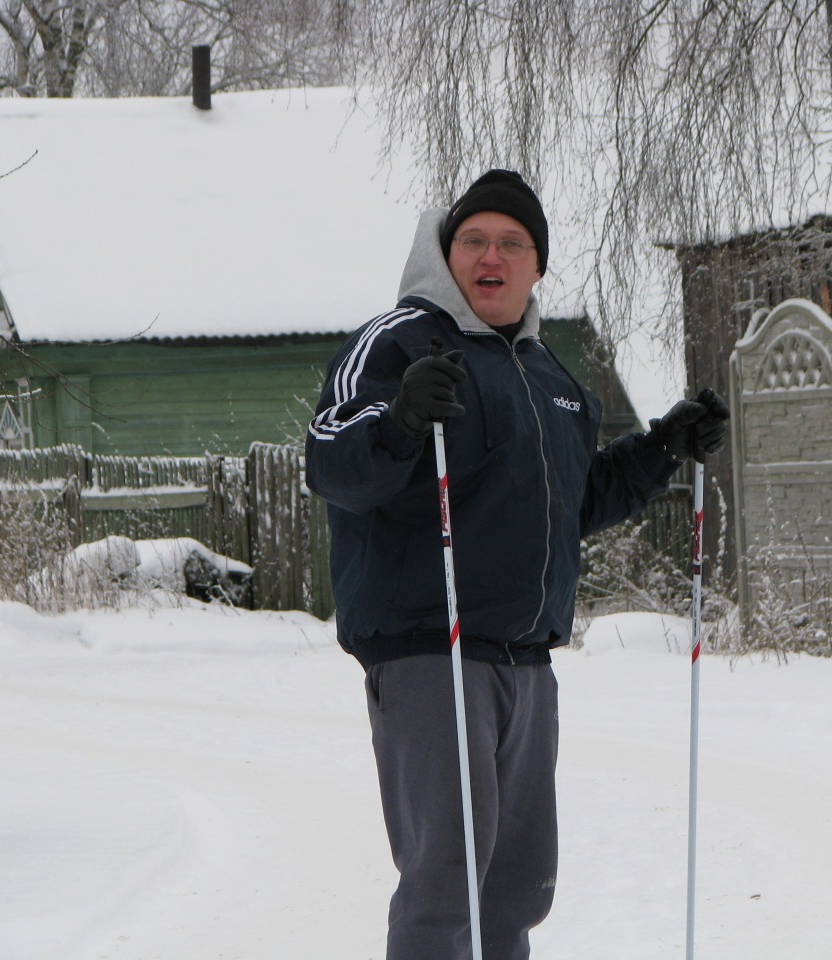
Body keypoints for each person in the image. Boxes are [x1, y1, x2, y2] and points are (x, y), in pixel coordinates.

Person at [304, 169, 728, 960]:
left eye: (511, 243)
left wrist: (662, 449)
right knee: (447, 876)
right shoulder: (399, 343)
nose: (490, 257)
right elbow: (331, 460)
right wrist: (400, 418)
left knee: (519, 882)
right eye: (473, 240)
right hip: (431, 647)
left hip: (527, 659)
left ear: (538, 266)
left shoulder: (549, 376)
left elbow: (572, 500)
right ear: (448, 252)